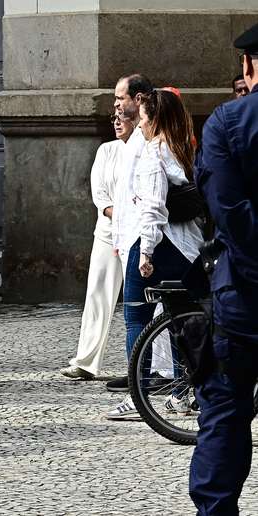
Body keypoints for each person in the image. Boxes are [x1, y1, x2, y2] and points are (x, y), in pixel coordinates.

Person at [189, 24, 258, 514]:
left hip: (242, 296)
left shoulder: (227, 123)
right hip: (241, 291)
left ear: (248, 66)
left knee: (226, 415)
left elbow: (230, 212)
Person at [106, 88, 204, 420]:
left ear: (154, 119)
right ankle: (183, 392)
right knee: (178, 317)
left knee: (136, 317)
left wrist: (145, 251)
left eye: (144, 118)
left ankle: (138, 395)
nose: (140, 124)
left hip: (159, 244)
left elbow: (153, 208)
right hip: (186, 248)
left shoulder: (154, 151)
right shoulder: (181, 148)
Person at [60, 111, 133, 380]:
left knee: (141, 297)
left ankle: (152, 366)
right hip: (108, 229)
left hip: (136, 231)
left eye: (122, 116)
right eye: (114, 117)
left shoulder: (143, 148)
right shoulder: (106, 150)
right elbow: (99, 194)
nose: (116, 121)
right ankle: (86, 361)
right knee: (97, 292)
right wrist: (119, 214)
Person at [102, 73, 155, 394]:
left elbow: (148, 198)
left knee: (137, 316)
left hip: (141, 238)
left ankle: (141, 385)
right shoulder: (132, 140)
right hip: (130, 238)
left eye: (120, 98)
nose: (116, 105)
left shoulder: (147, 139)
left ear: (138, 99)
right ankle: (141, 375)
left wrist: (140, 244)